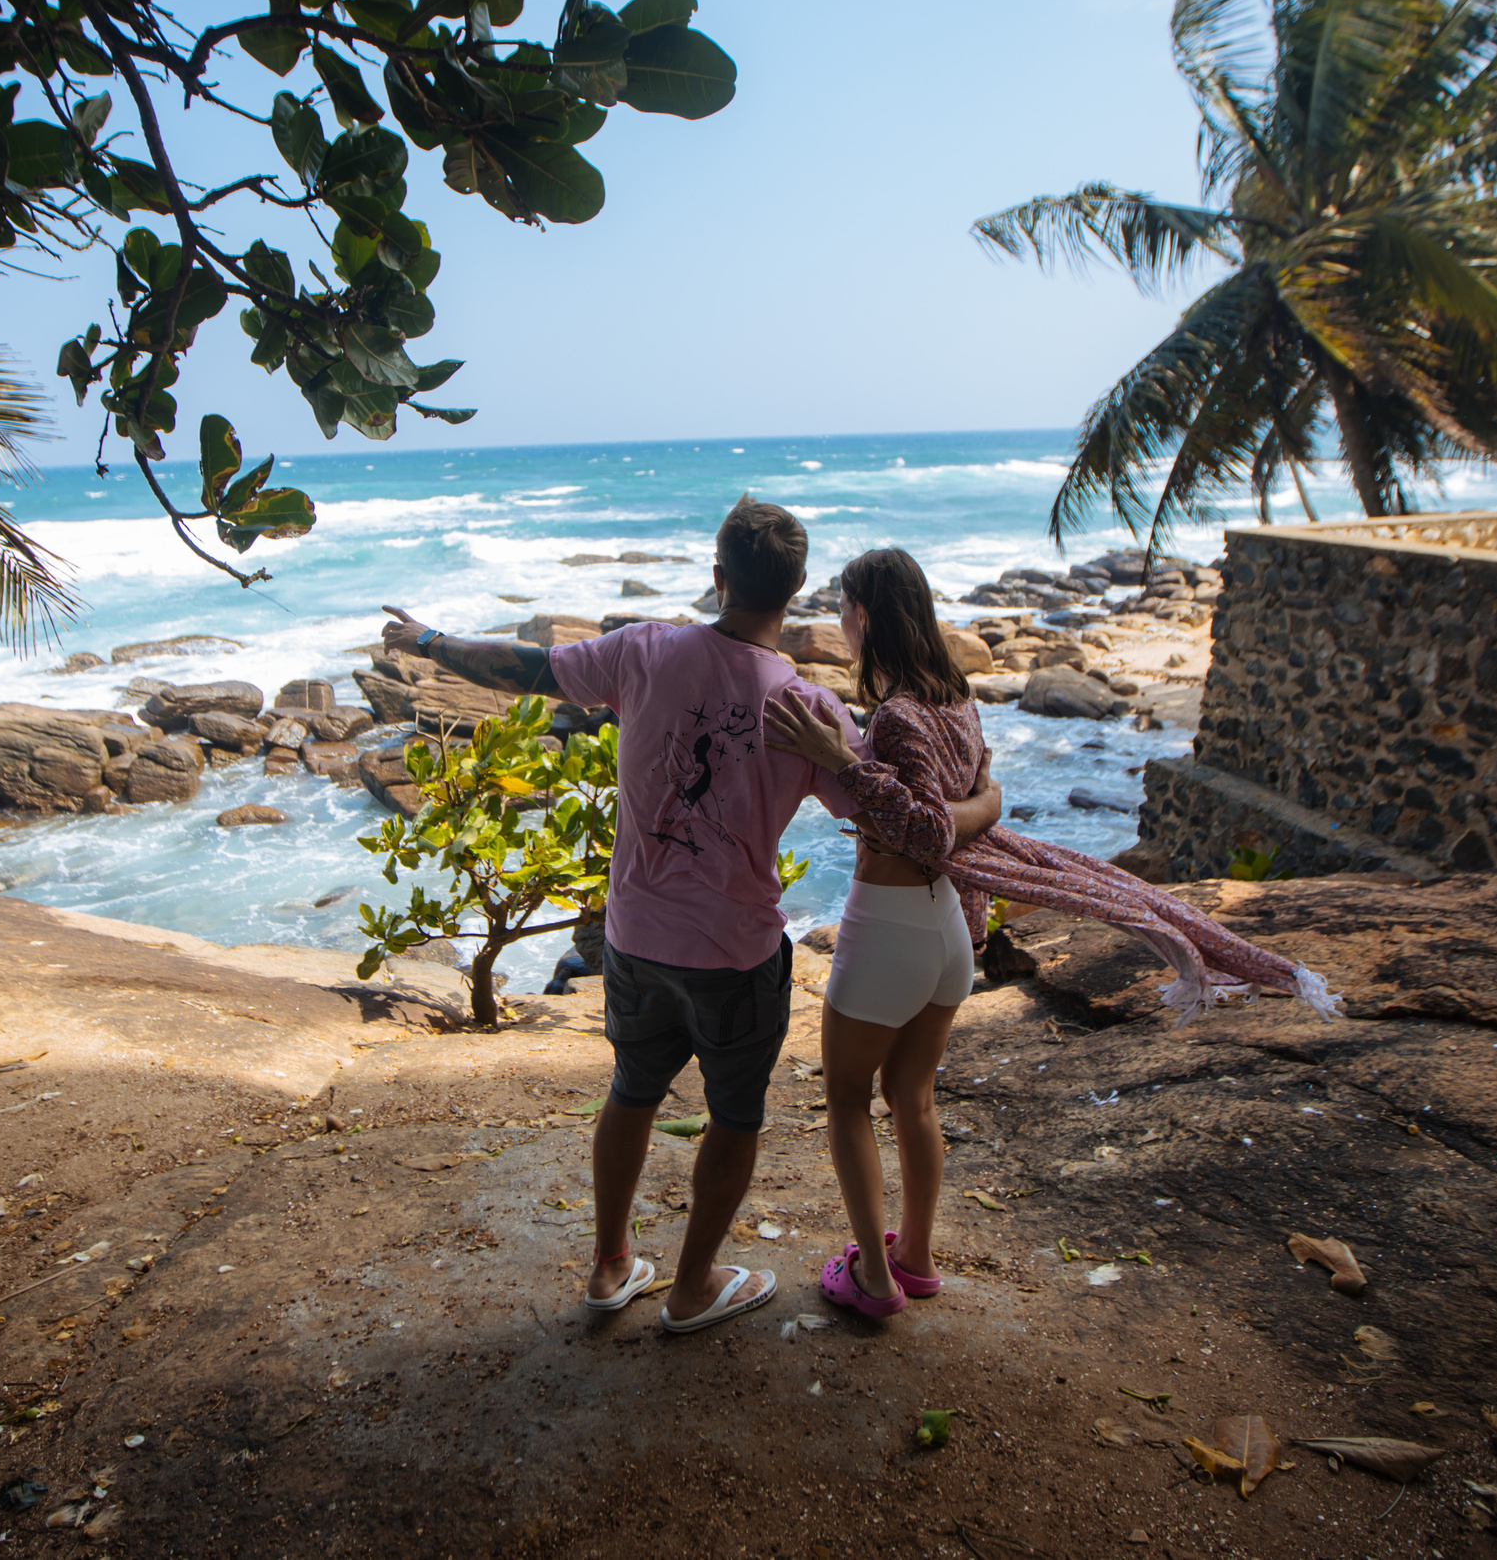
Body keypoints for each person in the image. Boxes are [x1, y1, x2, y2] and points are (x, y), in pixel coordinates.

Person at [381, 500, 1001, 1334]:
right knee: (733, 1117)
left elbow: (527, 668)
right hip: (738, 954)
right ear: (796, 594)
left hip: (634, 937)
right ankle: (691, 1285)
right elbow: (880, 816)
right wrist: (980, 799)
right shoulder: (813, 710)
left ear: (718, 581)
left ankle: (609, 1267)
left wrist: (428, 642)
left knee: (631, 1091)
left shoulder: (645, 648)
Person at [765, 548, 1336, 1317]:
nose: (838, 623)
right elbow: (976, 793)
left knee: (845, 1101)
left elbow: (926, 829)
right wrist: (988, 806)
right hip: (948, 934)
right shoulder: (957, 697)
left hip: (892, 926)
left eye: (843, 609)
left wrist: (836, 755)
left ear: (864, 616)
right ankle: (917, 1257)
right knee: (913, 1095)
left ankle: (872, 1278)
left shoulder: (898, 713)